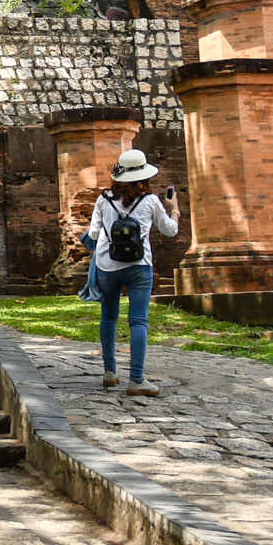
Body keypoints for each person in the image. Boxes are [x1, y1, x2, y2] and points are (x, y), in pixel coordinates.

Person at [85, 150, 179, 397]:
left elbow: (93, 234)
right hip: (139, 266)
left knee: (108, 318)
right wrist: (174, 209)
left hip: (107, 266)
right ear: (144, 176)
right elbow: (170, 230)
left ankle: (109, 372)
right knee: (138, 322)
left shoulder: (103, 199)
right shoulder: (150, 200)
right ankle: (136, 380)